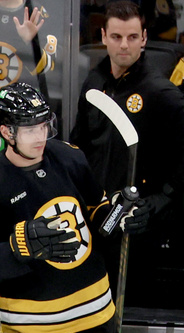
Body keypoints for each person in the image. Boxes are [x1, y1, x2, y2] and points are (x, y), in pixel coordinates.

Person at [0, 82, 150, 333]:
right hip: (31, 328)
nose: (40, 137)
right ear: (6, 132)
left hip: (98, 314)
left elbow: (96, 208)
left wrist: (118, 215)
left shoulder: (70, 157)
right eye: (30, 129)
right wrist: (17, 247)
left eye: (44, 125)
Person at [70, 1, 184, 310]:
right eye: (117, 36)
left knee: (128, 312)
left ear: (144, 38)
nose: (124, 45)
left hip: (135, 233)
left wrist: (162, 199)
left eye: (133, 37)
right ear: (104, 36)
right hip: (93, 223)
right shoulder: (94, 82)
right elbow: (79, 144)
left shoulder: (162, 93)